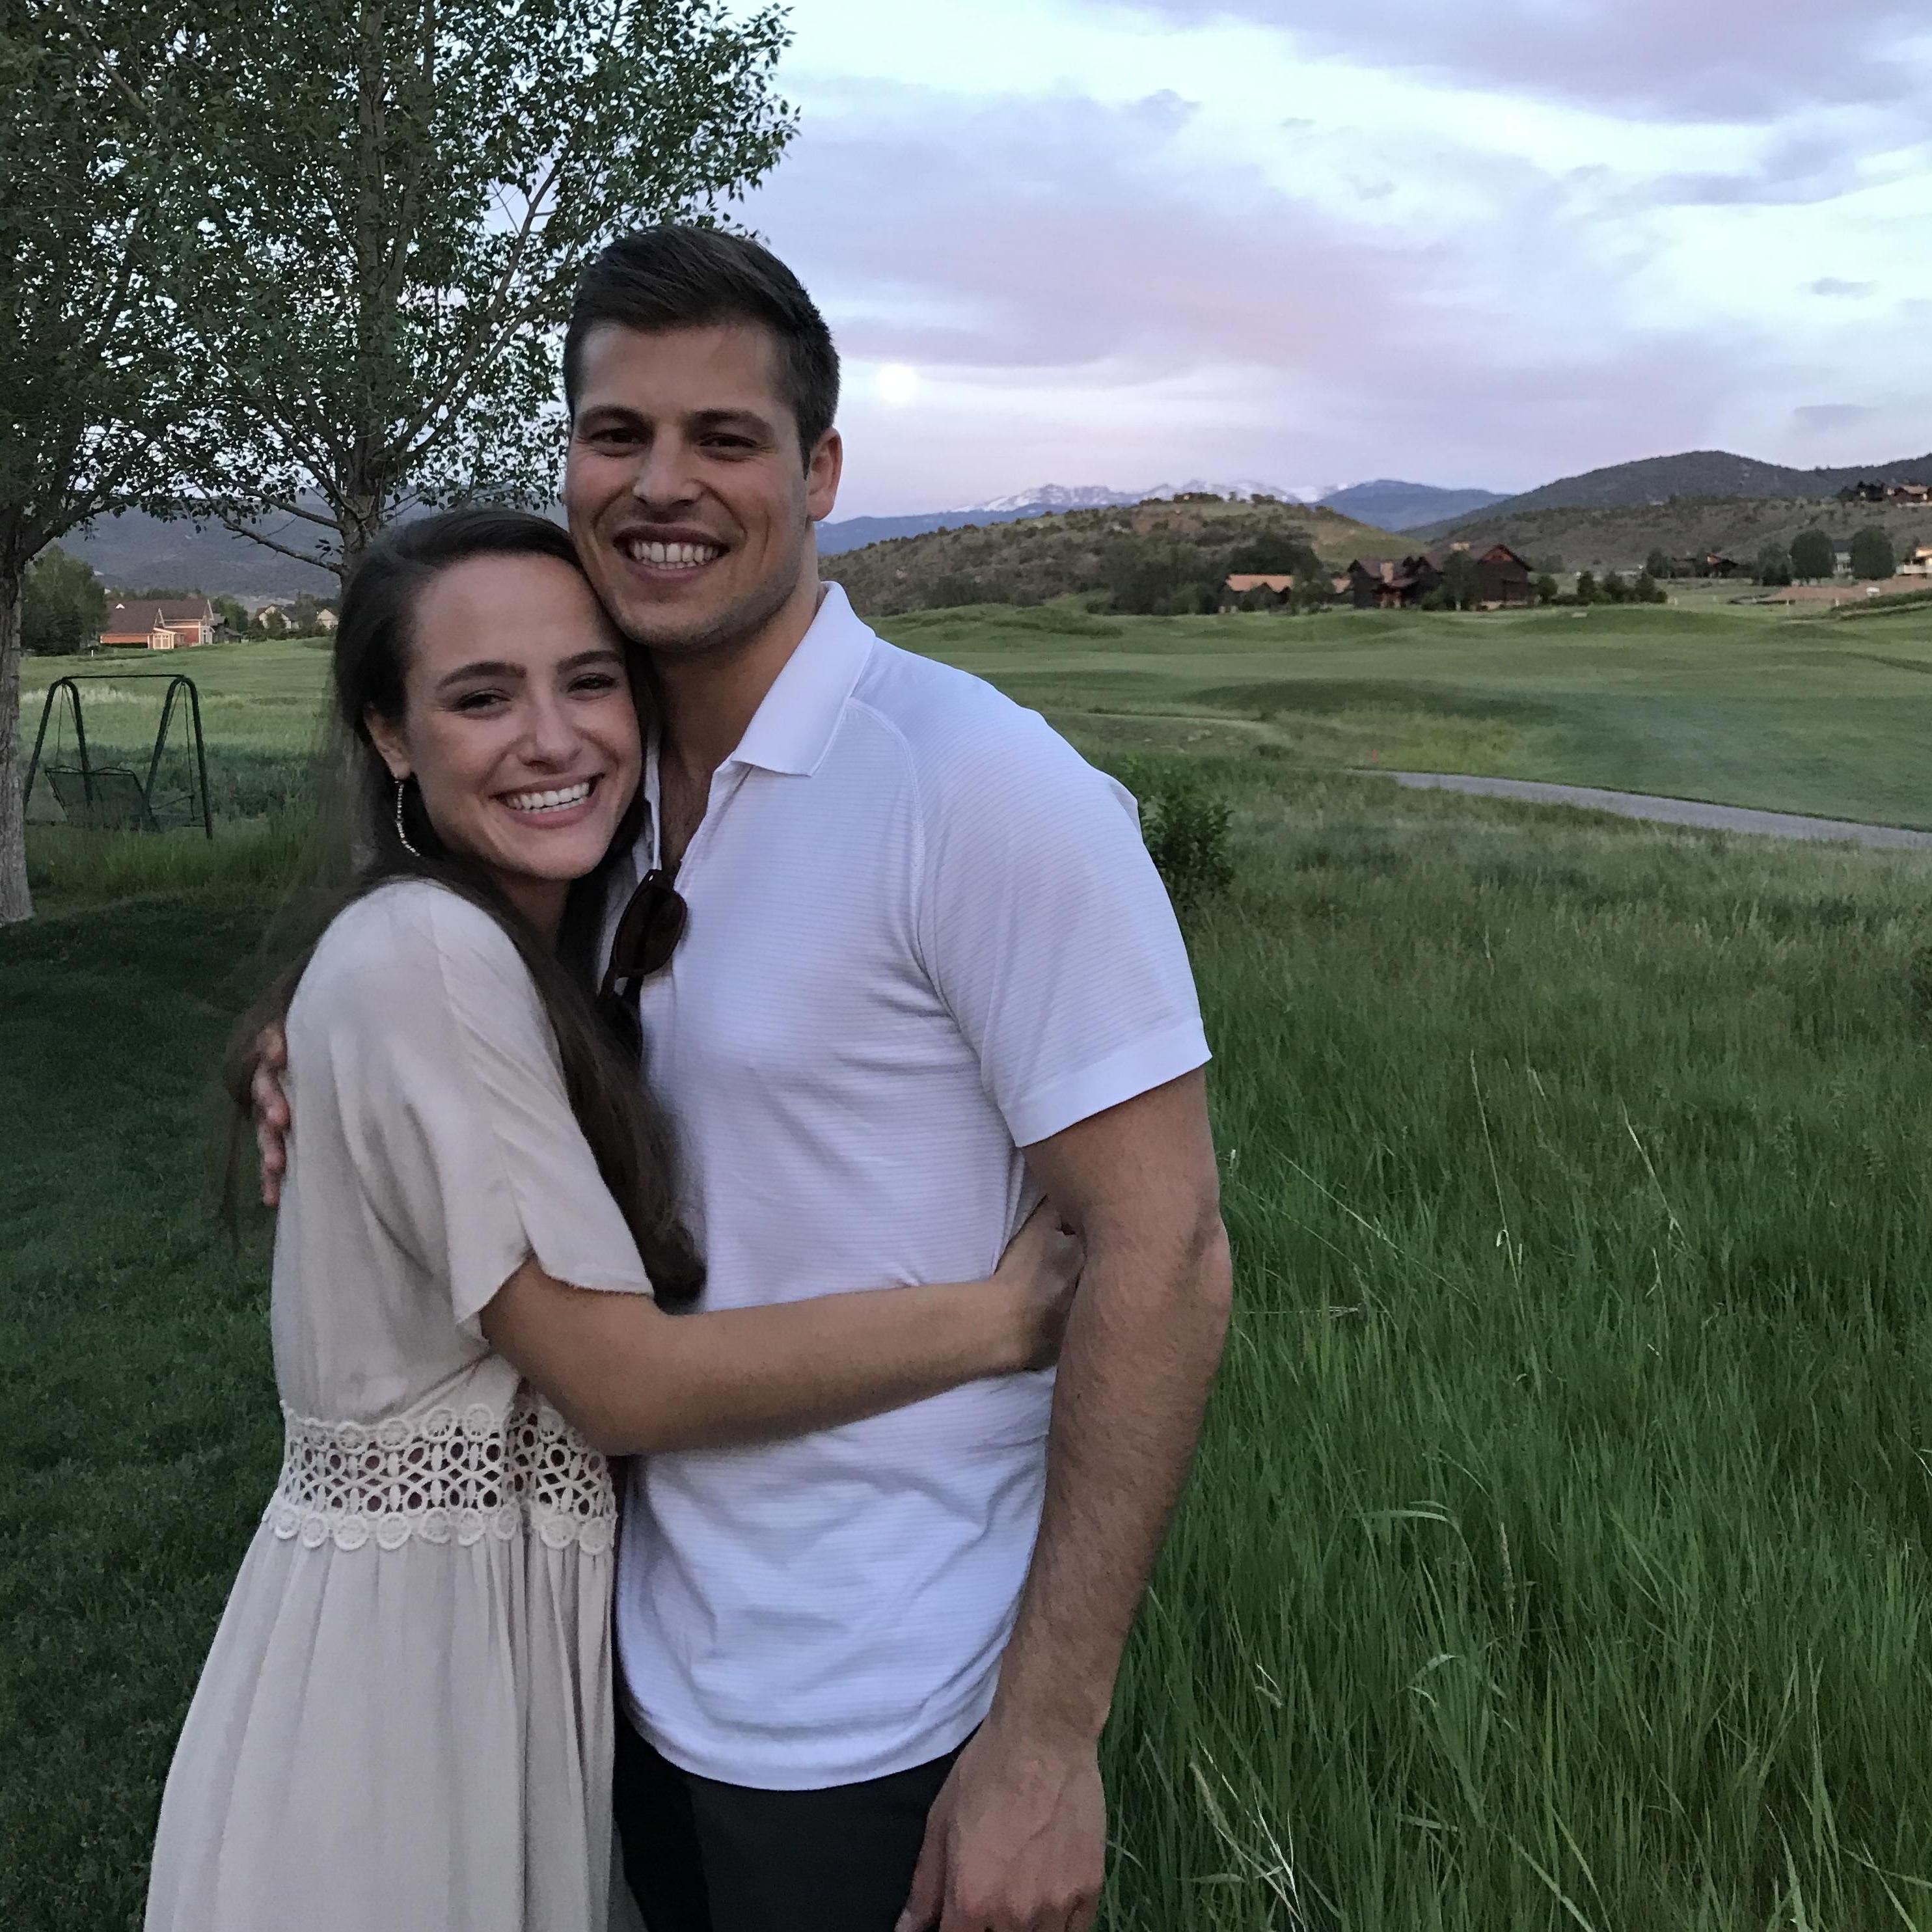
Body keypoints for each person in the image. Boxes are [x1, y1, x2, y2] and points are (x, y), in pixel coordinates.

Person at [256, 226, 1234, 1932]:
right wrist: (314, 1047)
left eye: (724, 437)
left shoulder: (976, 786)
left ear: (820, 471)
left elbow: (1171, 1249)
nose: (663, 484)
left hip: (890, 1703)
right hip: (633, 1659)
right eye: (617, 433)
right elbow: (470, 1012)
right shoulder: (607, 792)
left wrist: (1045, 1741)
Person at [146, 507, 1083, 1932]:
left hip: (499, 1660)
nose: (551, 738)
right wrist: (1000, 1320)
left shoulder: (533, 944)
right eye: (480, 697)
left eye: (588, 681)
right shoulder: (426, 953)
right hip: (405, 1695)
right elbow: (622, 1383)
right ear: (390, 736)